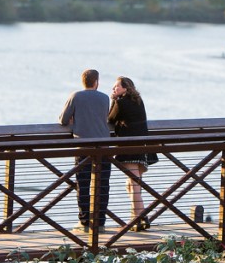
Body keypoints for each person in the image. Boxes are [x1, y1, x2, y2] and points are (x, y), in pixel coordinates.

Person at [59, 69, 111, 233]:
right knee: (102, 185)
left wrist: (75, 118)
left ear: (84, 82)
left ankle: (85, 222)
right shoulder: (104, 98)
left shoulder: (76, 96)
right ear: (96, 82)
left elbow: (62, 119)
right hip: (103, 145)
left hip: (83, 145)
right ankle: (100, 223)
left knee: (83, 185)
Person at [108, 76, 157, 231]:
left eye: (116, 87)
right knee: (132, 184)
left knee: (134, 185)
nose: (114, 89)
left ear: (126, 88)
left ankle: (142, 217)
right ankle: (136, 219)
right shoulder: (138, 101)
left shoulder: (121, 103)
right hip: (143, 146)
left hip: (129, 147)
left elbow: (110, 118)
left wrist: (113, 100)